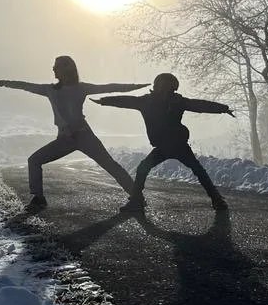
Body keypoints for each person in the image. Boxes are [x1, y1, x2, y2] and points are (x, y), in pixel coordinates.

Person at [0, 55, 148, 211]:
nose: (53, 69)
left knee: (110, 165)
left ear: (66, 69)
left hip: (85, 136)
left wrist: (135, 86)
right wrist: (3, 83)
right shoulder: (50, 89)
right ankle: (38, 199)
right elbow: (25, 85)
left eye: (56, 67)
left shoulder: (81, 88)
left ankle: (137, 198)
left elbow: (111, 87)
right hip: (65, 139)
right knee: (34, 160)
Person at [91, 72, 235, 212]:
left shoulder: (171, 101)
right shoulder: (150, 101)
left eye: (169, 88)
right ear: (159, 86)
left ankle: (217, 200)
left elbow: (200, 105)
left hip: (177, 145)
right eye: (165, 87)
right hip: (167, 146)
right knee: (147, 168)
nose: (167, 91)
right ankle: (136, 201)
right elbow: (125, 101)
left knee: (193, 170)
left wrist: (223, 108)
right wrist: (104, 101)